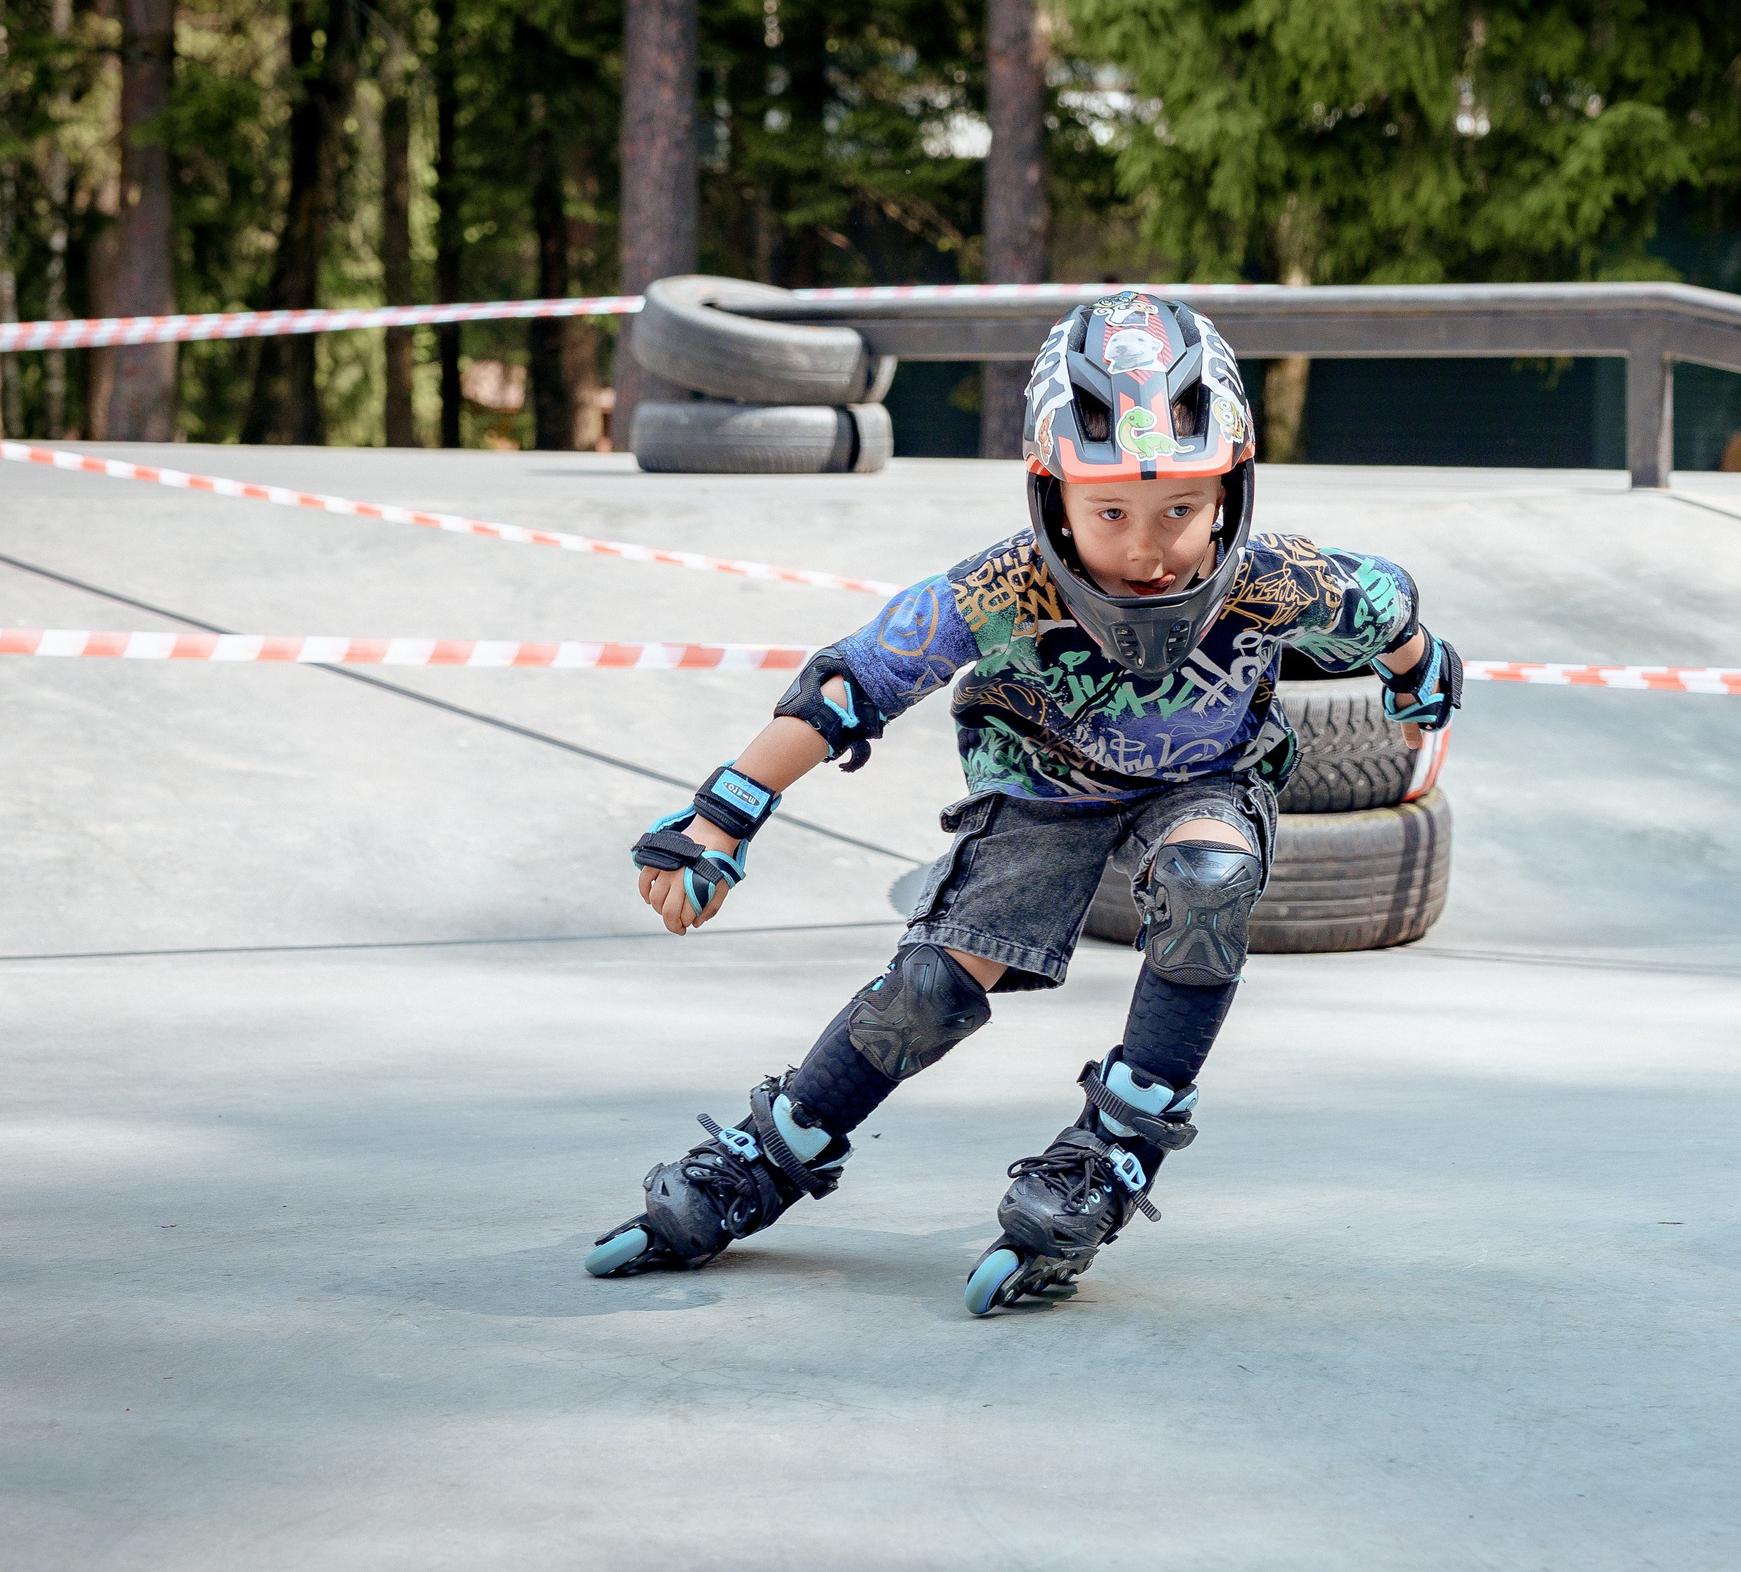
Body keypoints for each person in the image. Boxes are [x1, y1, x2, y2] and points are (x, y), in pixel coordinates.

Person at [584, 290, 1465, 1314]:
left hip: (1206, 777)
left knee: (1208, 876)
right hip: (1043, 786)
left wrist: (1419, 673)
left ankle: (1115, 1149)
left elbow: (1391, 614)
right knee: (929, 990)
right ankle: (771, 1153)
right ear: (1051, 495)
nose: (1151, 548)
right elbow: (842, 691)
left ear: (1233, 487)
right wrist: (719, 816)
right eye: (1111, 513)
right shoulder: (996, 591)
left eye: (1183, 508)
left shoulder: (1282, 580)